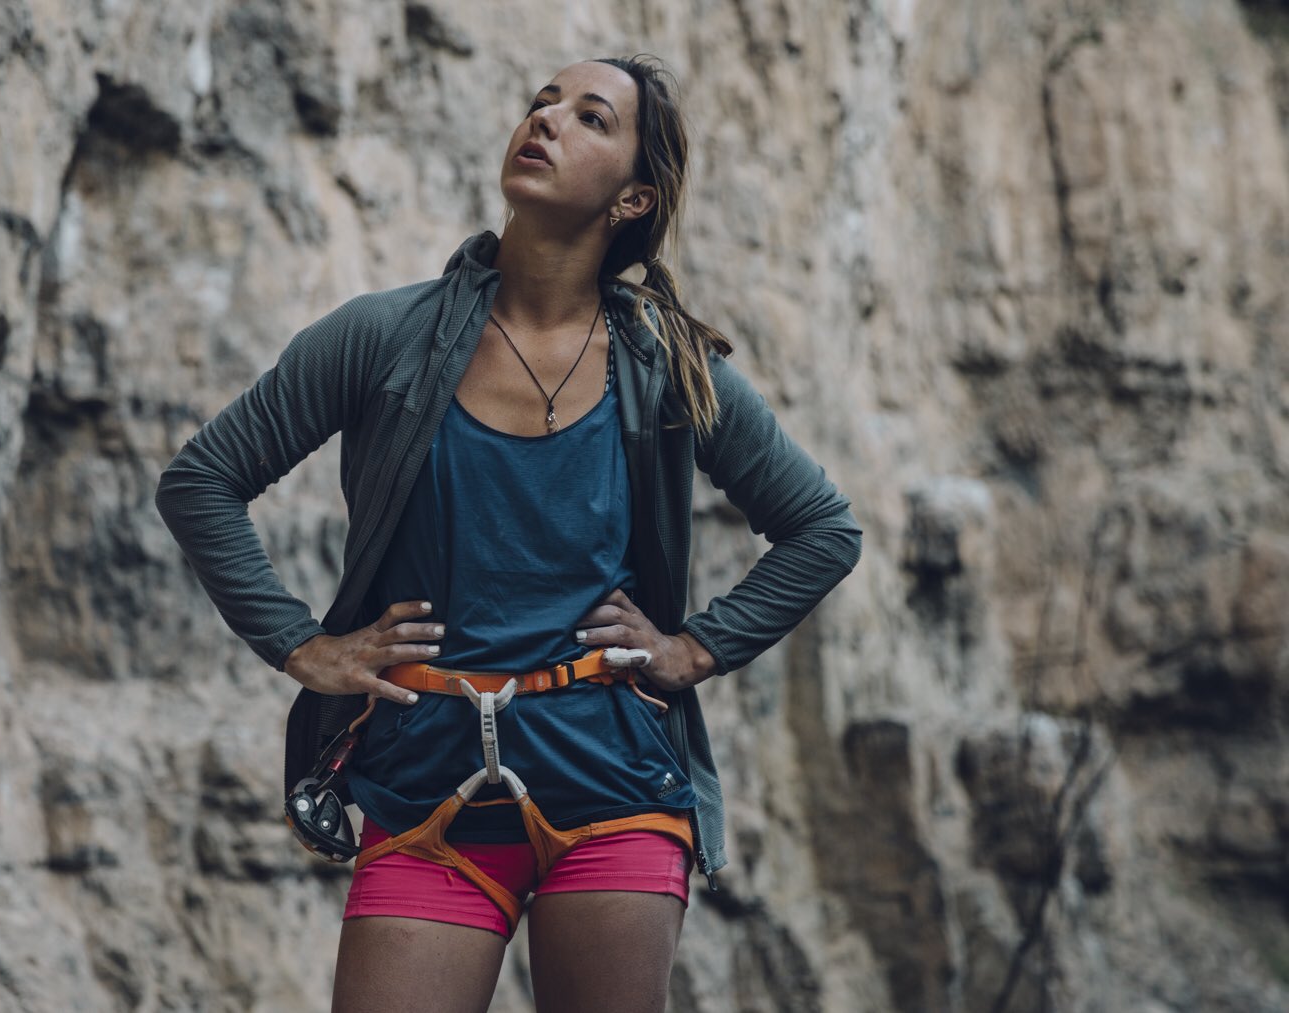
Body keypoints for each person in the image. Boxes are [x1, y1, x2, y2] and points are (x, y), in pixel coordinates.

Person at [156, 54, 862, 1013]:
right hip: (424, 795)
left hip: (616, 785)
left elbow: (823, 528)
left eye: (590, 117)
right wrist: (299, 645)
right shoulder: (382, 337)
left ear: (632, 198)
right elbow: (202, 479)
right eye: (541, 101)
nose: (548, 120)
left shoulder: (669, 369)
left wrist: (693, 648)